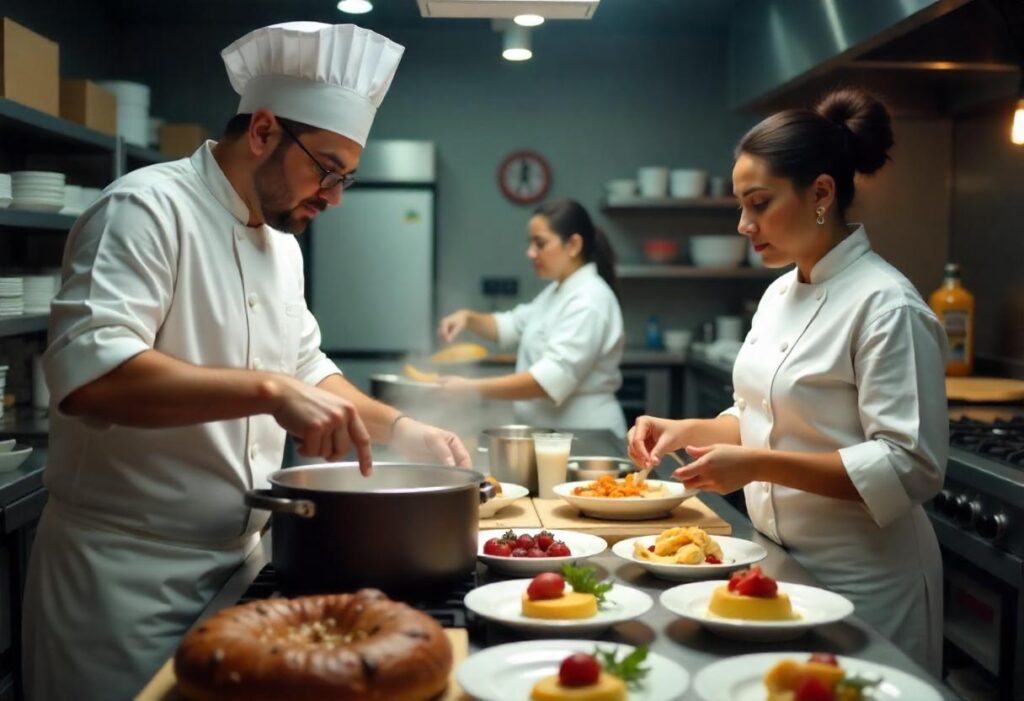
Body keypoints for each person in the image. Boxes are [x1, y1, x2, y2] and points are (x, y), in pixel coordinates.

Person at [22, 22, 470, 701]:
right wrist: (268, 389)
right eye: (326, 169)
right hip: (122, 583)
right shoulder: (145, 208)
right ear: (262, 130)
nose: (335, 196)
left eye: (346, 177)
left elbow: (308, 366)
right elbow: (92, 378)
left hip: (240, 568)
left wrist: (402, 428)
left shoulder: (281, 245)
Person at [628, 87, 947, 674]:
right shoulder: (779, 292)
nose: (744, 225)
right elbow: (759, 415)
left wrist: (756, 465)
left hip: (866, 581)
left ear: (821, 192)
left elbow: (910, 465)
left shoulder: (886, 305)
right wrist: (684, 429)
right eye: (740, 205)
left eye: (759, 203)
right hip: (778, 566)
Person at [437, 198, 627, 436]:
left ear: (573, 245)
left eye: (540, 244)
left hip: (587, 436)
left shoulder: (589, 301)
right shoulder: (557, 292)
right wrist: (468, 318)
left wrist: (471, 388)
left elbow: (548, 381)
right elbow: (508, 326)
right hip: (555, 435)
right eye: (530, 244)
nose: (530, 253)